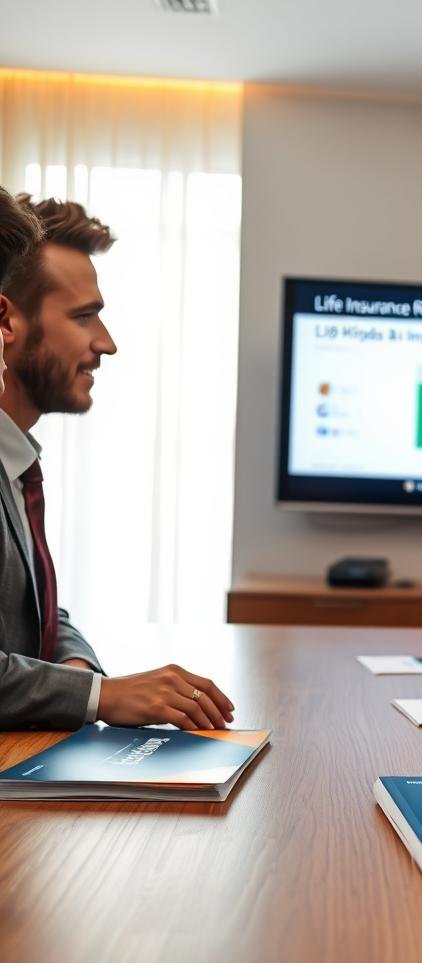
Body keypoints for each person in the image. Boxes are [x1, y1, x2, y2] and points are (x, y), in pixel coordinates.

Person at [0, 193, 234, 731]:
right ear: (7, 322)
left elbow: (37, 614)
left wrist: (75, 667)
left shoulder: (16, 461)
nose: (107, 344)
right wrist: (98, 695)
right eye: (84, 317)